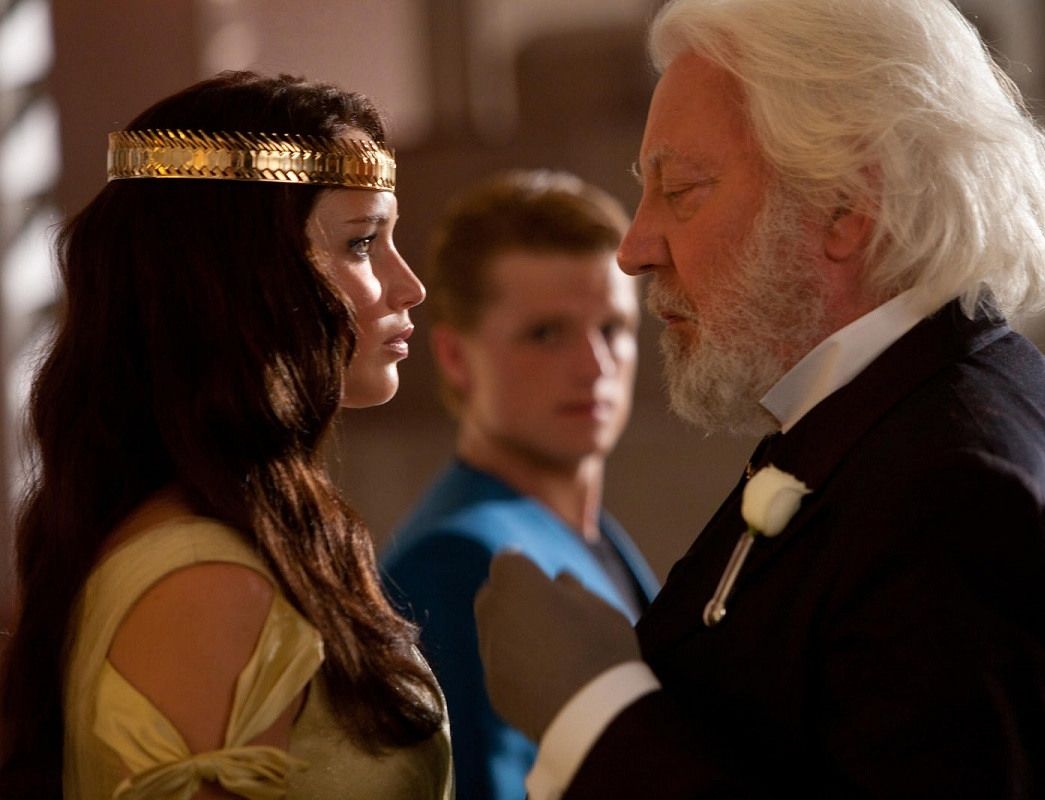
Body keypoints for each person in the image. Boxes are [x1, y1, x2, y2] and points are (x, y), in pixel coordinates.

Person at [473, 0, 1045, 797]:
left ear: (846, 204)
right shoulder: (895, 410)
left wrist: (592, 708)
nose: (634, 249)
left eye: (680, 190)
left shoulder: (950, 490)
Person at [0, 71, 453, 800]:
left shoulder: (246, 544)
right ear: (244, 277)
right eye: (363, 243)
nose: (409, 287)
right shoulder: (204, 585)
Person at [381, 170, 659, 800]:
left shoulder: (590, 537)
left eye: (612, 329)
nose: (594, 366)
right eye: (546, 333)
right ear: (455, 357)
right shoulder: (456, 562)